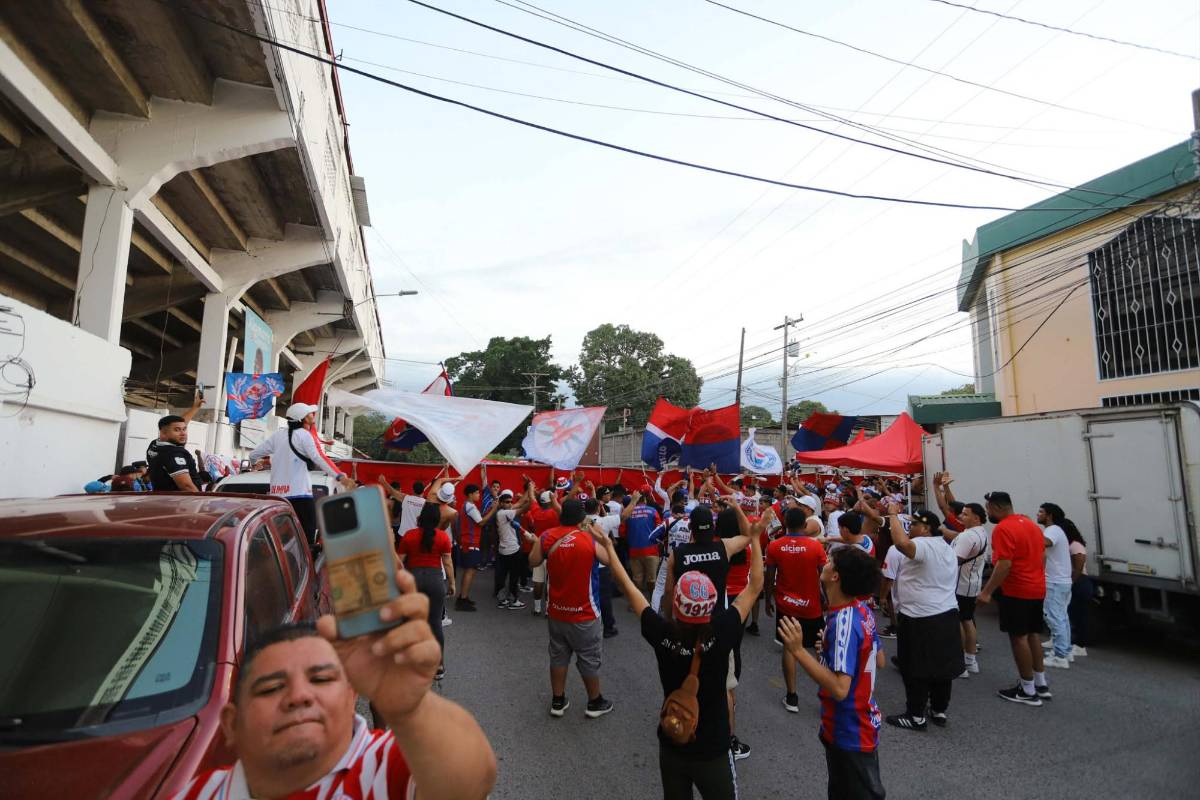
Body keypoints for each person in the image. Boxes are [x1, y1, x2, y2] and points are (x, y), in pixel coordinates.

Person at [172, 579, 496, 800]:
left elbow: (470, 782)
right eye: (271, 688)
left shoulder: (385, 763)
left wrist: (412, 709)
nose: (299, 696)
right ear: (231, 722)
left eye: (322, 679)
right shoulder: (199, 793)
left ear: (353, 695)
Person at [601, 503, 763, 800]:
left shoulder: (663, 634)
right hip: (713, 749)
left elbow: (633, 592)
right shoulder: (724, 630)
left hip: (673, 744)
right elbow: (755, 587)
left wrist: (611, 553)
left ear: (677, 603)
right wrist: (755, 536)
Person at [779, 547, 885, 800]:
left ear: (835, 576)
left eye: (829, 561)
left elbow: (839, 688)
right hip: (856, 725)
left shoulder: (843, 622)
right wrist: (829, 655)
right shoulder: (860, 610)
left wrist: (797, 650)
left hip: (850, 730)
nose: (824, 564)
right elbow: (877, 659)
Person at [527, 499, 614, 719]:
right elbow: (609, 560)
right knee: (588, 657)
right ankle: (595, 701)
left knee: (558, 656)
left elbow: (533, 561)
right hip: (585, 613)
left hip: (556, 610)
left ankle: (558, 700)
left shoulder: (547, 536)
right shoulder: (589, 539)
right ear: (581, 518)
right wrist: (601, 538)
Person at [883, 507, 962, 731]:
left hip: (920, 616)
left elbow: (902, 544)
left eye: (914, 525)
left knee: (914, 667)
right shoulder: (944, 546)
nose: (910, 528)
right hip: (945, 613)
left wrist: (892, 516)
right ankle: (938, 709)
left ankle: (915, 715)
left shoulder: (925, 544)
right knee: (941, 667)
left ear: (926, 528)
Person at [247, 403, 356, 549]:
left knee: (279, 543)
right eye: (310, 413)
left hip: (278, 498)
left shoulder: (278, 435)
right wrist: (340, 477)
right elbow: (319, 458)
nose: (313, 415)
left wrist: (255, 464)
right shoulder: (304, 436)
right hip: (300, 496)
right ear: (303, 418)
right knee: (307, 542)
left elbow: (253, 454)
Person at [979, 491, 1050, 706]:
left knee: (1018, 637)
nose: (987, 512)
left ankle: (1027, 690)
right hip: (1036, 587)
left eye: (988, 509)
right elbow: (1043, 555)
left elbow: (1004, 564)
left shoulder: (1003, 528)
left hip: (1017, 590)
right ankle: (1040, 683)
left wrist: (987, 591)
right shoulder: (1031, 525)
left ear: (998, 508)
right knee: (1033, 634)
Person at [766, 507, 828, 714]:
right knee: (820, 648)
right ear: (804, 525)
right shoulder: (816, 547)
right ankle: (828, 695)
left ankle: (792, 696)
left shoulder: (775, 546)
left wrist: (768, 599)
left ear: (785, 524)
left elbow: (769, 576)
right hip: (812, 606)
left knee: (789, 649)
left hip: (786, 606)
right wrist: (828, 599)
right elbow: (825, 577)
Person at [396, 503, 455, 681]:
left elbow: (399, 562)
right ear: (437, 519)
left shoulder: (409, 536)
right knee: (435, 623)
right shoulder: (443, 537)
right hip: (435, 580)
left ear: (420, 517)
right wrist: (452, 583)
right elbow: (448, 563)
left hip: (413, 579)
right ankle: (438, 666)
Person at [950, 502, 990, 678]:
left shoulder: (968, 536)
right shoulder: (981, 533)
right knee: (967, 620)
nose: (961, 517)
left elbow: (955, 559)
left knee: (959, 620)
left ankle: (959, 662)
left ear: (976, 518)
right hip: (971, 583)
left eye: (965, 514)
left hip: (960, 583)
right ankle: (970, 659)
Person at [1037, 502, 1074, 669]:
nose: (1038, 514)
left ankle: (1060, 657)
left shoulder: (1052, 530)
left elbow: (1044, 543)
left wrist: (1028, 534)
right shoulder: (1057, 530)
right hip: (1062, 580)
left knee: (1053, 616)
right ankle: (1065, 651)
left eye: (1041, 512)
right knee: (1062, 616)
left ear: (1049, 515)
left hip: (1055, 581)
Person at [146, 392, 205, 493]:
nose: (183, 433)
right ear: (163, 433)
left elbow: (179, 423)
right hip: (181, 505)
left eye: (184, 429)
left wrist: (195, 407)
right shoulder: (173, 454)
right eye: (177, 430)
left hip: (161, 499)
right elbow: (186, 486)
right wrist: (200, 504)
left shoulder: (155, 444)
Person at [455, 483, 500, 610]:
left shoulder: (467, 505)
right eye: (477, 493)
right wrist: (493, 509)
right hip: (470, 542)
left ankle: (463, 597)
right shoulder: (470, 506)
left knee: (470, 570)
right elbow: (481, 522)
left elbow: (476, 520)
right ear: (470, 494)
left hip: (468, 542)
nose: (479, 495)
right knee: (469, 571)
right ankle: (462, 599)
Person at [584, 497, 623, 637]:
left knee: (588, 596)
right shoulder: (604, 521)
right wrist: (634, 501)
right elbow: (623, 516)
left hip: (586, 564)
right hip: (602, 564)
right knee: (605, 598)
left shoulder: (582, 522)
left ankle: (588, 626)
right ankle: (608, 627)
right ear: (598, 508)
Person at [494, 484, 535, 610]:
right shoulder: (505, 513)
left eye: (511, 501)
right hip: (513, 550)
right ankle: (514, 600)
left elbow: (519, 504)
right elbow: (523, 507)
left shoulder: (502, 512)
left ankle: (502, 600)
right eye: (507, 502)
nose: (510, 503)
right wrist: (531, 496)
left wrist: (528, 491)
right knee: (514, 576)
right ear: (501, 503)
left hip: (503, 550)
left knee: (502, 575)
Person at [621, 485, 664, 602]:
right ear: (645, 499)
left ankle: (637, 602)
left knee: (637, 578)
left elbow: (622, 532)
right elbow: (660, 529)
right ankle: (652, 601)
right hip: (652, 549)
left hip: (634, 550)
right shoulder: (653, 511)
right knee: (652, 579)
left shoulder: (627, 513)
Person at [524, 489, 560, 616]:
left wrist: (531, 488)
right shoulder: (556, 513)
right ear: (551, 502)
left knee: (538, 581)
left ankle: (537, 608)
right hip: (552, 552)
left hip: (538, 551)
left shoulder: (536, 512)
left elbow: (532, 499)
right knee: (551, 584)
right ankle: (548, 610)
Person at [1062, 518, 1091, 658]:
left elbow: (1078, 566)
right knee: (1072, 613)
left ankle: (1080, 646)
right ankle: (1073, 642)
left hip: (1080, 582)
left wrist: (1071, 582)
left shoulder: (1075, 545)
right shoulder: (1070, 544)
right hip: (1076, 581)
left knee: (1080, 615)